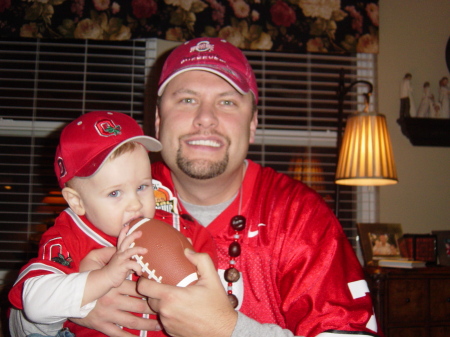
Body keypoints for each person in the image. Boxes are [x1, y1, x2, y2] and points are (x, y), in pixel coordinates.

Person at [19, 38, 382, 337]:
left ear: (253, 123)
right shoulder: (113, 194)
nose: (205, 118)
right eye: (187, 99)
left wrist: (229, 329)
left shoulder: (300, 216)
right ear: (158, 120)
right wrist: (77, 304)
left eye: (227, 102)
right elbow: (20, 323)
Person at [8, 111, 217, 337]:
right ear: (77, 202)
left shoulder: (180, 228)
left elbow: (216, 302)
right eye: (115, 193)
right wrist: (104, 278)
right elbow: (34, 303)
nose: (135, 204)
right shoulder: (70, 236)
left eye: (143, 187)